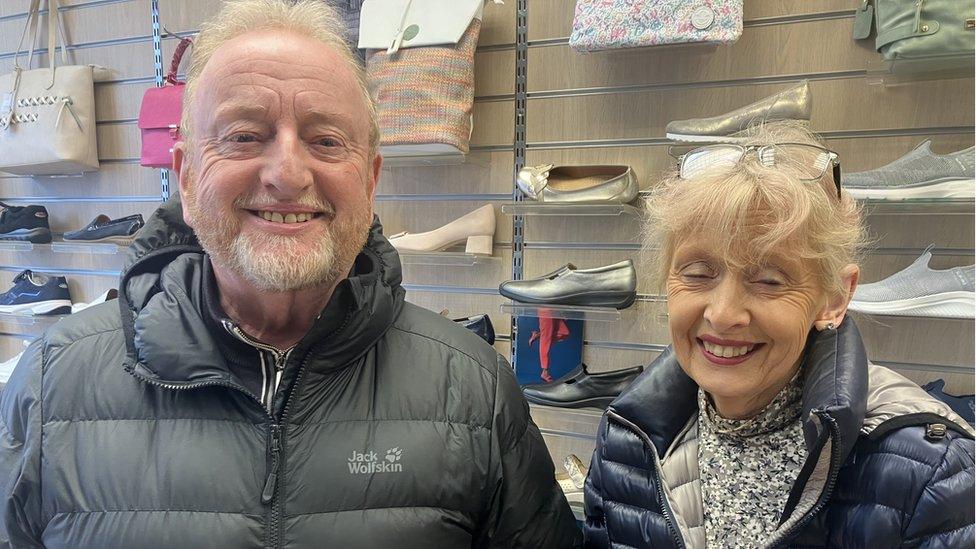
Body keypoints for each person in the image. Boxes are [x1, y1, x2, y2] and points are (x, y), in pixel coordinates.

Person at [0, 1, 581, 547]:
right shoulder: (53, 385)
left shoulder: (473, 388)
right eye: (244, 136)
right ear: (185, 172)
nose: (286, 173)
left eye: (326, 140)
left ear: (371, 178)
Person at [583, 122, 975, 548]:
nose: (724, 313)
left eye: (769, 280)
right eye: (697, 274)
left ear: (834, 299)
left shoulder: (930, 472)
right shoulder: (626, 442)